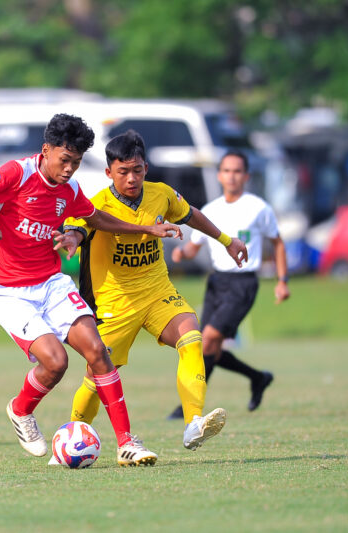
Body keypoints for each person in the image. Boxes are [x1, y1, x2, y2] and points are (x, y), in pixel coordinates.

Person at [0, 114, 179, 467]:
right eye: (65, 160)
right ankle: (20, 409)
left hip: (51, 283)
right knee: (55, 363)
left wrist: (146, 230)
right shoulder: (17, 173)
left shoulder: (69, 190)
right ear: (46, 150)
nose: (70, 169)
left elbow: (95, 218)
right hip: (8, 290)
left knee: (97, 350)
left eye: (76, 162)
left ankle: (127, 443)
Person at [65, 130, 248, 451]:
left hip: (157, 291)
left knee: (192, 337)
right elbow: (78, 227)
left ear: (146, 168)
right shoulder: (98, 205)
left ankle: (193, 423)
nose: (132, 178)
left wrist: (227, 240)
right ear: (109, 173)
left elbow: (192, 215)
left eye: (137, 170)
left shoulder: (161, 194)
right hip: (115, 303)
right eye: (123, 172)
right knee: (96, 380)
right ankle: (71, 439)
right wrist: (72, 238)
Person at [167, 149, 289, 420]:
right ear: (219, 175)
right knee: (204, 344)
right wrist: (181, 253)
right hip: (216, 282)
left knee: (209, 338)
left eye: (237, 171)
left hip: (243, 283)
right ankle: (257, 377)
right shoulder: (210, 210)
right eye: (226, 170)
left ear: (245, 176)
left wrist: (282, 281)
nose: (231, 176)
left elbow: (278, 243)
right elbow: (193, 246)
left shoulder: (258, 208)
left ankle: (189, 407)